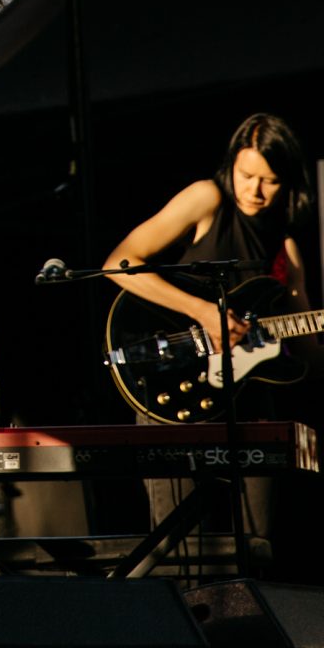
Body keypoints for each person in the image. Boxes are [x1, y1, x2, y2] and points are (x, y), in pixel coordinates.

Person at [102, 112, 314, 539]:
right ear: (231, 164)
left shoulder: (284, 242)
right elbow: (120, 263)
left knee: (256, 546)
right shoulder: (207, 198)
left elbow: (309, 346)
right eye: (246, 174)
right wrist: (202, 312)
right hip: (178, 379)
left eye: (269, 180)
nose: (254, 190)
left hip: (248, 399)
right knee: (180, 546)